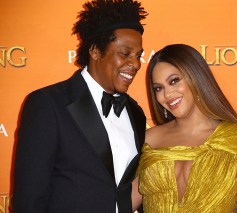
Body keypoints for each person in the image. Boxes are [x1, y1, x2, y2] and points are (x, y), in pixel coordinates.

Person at [12, 0, 147, 212]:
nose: (137, 64)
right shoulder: (48, 104)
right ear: (94, 51)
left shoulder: (136, 113)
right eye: (125, 53)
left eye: (138, 56)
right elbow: (29, 202)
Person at [131, 44, 237, 213]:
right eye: (159, 88)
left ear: (196, 77)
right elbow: (121, 203)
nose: (167, 95)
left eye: (174, 81)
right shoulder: (148, 140)